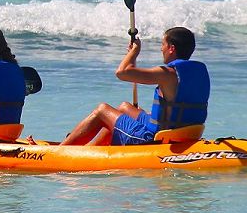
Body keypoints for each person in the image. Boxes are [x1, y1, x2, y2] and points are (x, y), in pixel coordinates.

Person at [57, 27, 210, 145]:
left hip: (153, 139)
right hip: (186, 132)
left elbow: (122, 72)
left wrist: (134, 52)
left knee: (102, 110)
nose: (160, 49)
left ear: (171, 48)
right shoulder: (200, 70)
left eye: (163, 44)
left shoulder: (167, 74)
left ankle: (62, 150)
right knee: (124, 107)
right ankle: (93, 150)